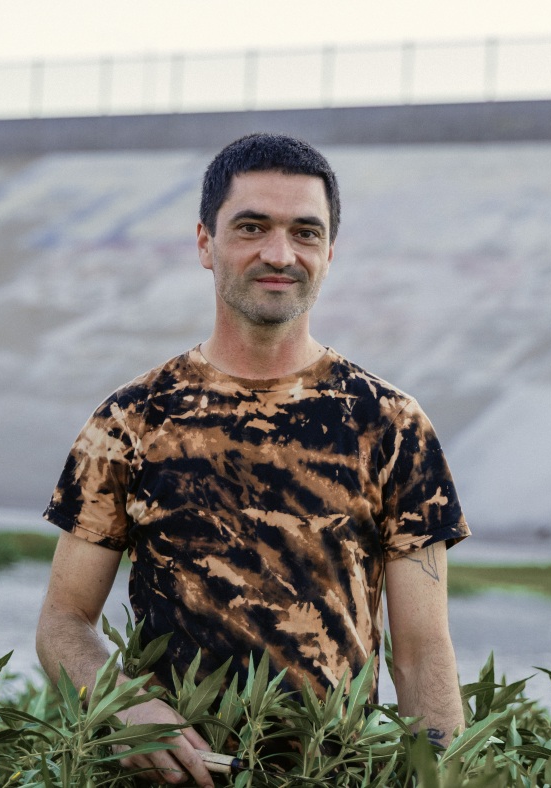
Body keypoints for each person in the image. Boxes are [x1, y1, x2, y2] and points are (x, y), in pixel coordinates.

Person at [35, 133, 470, 786]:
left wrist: (444, 777)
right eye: (252, 227)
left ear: (329, 252)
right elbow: (63, 623)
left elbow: (420, 650)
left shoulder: (391, 424)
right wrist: (118, 699)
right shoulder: (131, 420)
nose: (279, 254)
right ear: (206, 244)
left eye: (305, 232)